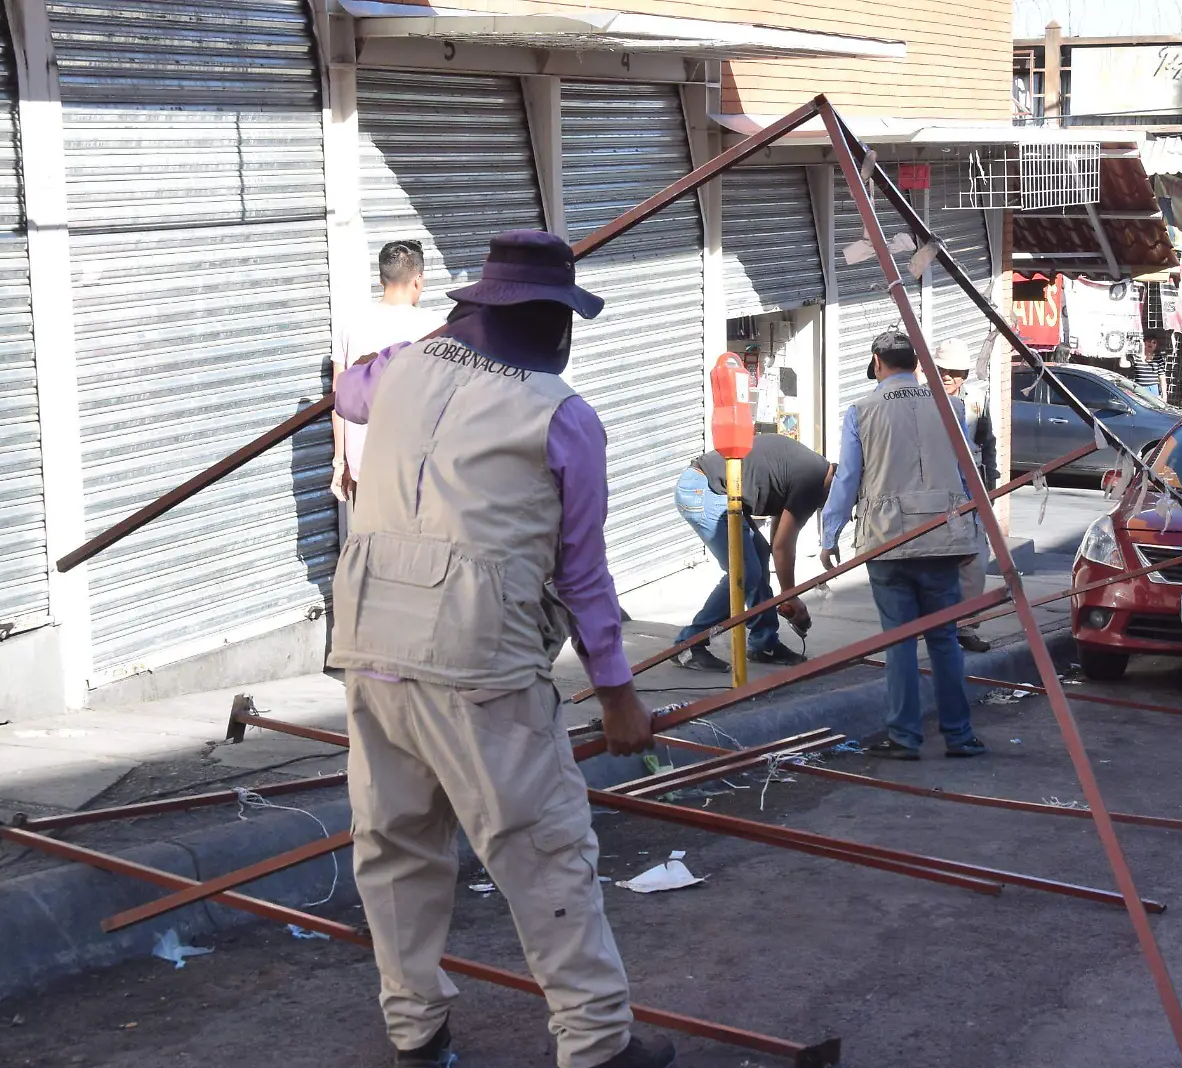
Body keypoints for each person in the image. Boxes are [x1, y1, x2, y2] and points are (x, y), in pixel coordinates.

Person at [330, 230, 675, 1068]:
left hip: (371, 643)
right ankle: (596, 1044)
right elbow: (584, 573)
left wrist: (437, 339)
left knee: (397, 845)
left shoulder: (405, 367)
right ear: (552, 324)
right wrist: (618, 693)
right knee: (544, 849)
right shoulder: (563, 418)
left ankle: (416, 1035)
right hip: (477, 662)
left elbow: (346, 392)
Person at [819, 330, 985, 760]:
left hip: (887, 542)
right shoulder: (950, 406)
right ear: (915, 362)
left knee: (900, 642)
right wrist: (977, 529)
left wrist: (829, 534)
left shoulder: (862, 411)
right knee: (945, 639)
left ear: (878, 361)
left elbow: (847, 479)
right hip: (942, 538)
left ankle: (905, 737)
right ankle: (960, 735)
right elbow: (969, 472)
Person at [670, 432, 827, 672]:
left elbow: (777, 537)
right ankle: (688, 644)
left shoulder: (814, 468)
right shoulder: (813, 484)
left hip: (711, 487)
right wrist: (790, 596)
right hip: (705, 490)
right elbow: (783, 546)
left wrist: (787, 597)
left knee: (759, 556)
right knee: (745, 571)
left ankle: (764, 644)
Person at [332, 241, 443, 507]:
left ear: (381, 278)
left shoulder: (350, 325)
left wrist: (341, 460)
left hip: (364, 466)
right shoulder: (436, 328)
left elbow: (338, 399)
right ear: (418, 280)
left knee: (371, 545)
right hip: (418, 466)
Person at [937, 337, 996, 653]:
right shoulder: (924, 400)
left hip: (971, 493)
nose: (948, 376)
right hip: (937, 492)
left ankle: (965, 627)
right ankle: (940, 627)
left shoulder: (976, 399)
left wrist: (992, 485)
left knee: (974, 561)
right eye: (942, 370)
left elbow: (988, 442)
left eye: (954, 371)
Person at [1131, 332, 1167, 397]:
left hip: (1153, 389)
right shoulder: (1136, 356)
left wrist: (1164, 394)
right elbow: (1123, 365)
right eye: (1149, 341)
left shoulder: (1158, 358)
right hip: (1139, 388)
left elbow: (1162, 377)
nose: (1151, 344)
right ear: (1144, 342)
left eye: (1154, 342)